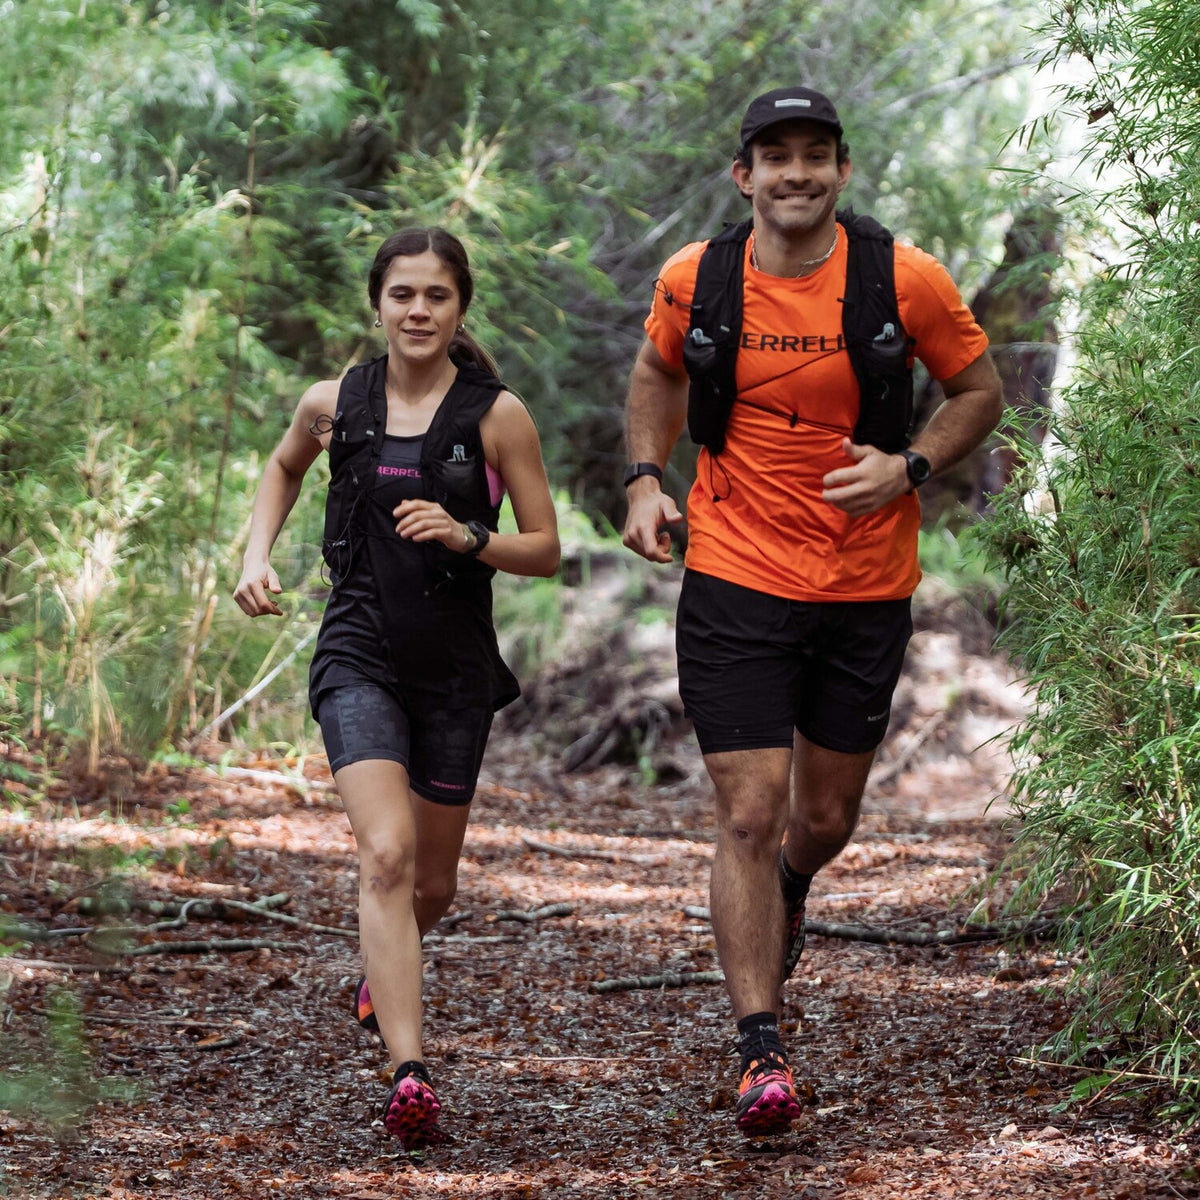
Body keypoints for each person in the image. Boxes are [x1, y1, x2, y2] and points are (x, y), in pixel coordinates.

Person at [621, 88, 1002, 1138]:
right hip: (735, 574)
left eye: (816, 156)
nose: (796, 173)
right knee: (746, 810)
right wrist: (644, 478)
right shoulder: (696, 280)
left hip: (863, 585)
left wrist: (911, 462)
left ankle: (792, 881)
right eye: (775, 157)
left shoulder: (903, 279)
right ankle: (760, 1048)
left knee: (820, 820)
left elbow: (981, 392)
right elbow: (654, 373)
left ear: (841, 171)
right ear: (743, 176)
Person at [234, 227, 560, 1149]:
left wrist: (469, 538)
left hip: (454, 670)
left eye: (437, 297)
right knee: (385, 854)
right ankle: (408, 1070)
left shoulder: (497, 416)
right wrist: (256, 553)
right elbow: (282, 466)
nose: (418, 311)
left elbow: (545, 548)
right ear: (377, 303)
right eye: (402, 295)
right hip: (359, 654)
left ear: (461, 308)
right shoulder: (336, 403)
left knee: (434, 883)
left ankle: (387, 967)